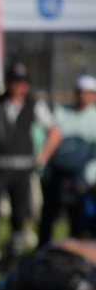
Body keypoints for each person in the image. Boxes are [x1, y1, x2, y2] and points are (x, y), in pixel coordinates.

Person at [0, 62, 62, 270]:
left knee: (21, 212)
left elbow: (54, 131)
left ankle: (14, 255)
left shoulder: (34, 105)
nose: (18, 88)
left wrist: (42, 157)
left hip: (22, 167)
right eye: (15, 83)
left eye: (22, 83)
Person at [39, 74, 96, 243]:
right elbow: (51, 141)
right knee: (49, 215)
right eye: (81, 92)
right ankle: (43, 251)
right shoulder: (61, 112)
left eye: (88, 92)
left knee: (79, 221)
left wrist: (89, 179)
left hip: (84, 179)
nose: (83, 96)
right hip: (58, 174)